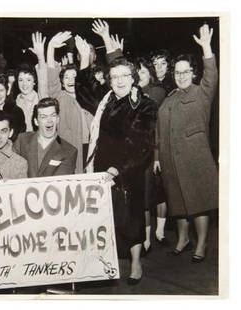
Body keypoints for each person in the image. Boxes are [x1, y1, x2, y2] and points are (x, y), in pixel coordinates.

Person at [86, 19, 157, 285]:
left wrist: (119, 168)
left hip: (129, 170)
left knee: (133, 219)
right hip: (103, 167)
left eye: (124, 76)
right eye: (114, 77)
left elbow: (143, 144)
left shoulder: (145, 105)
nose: (118, 81)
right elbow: (83, 86)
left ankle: (136, 264)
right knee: (109, 220)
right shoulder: (106, 101)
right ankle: (110, 263)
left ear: (133, 78)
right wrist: (87, 57)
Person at [156, 24, 218, 263]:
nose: (180, 76)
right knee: (178, 204)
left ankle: (201, 243)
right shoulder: (169, 99)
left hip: (195, 160)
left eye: (185, 72)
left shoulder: (202, 93)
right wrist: (157, 158)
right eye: (177, 72)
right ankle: (183, 239)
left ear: (193, 73)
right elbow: (159, 131)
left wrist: (206, 48)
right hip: (171, 161)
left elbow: (211, 75)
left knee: (199, 203)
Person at [45, 31, 94, 173]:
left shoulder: (87, 97)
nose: (71, 80)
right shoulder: (60, 98)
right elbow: (52, 78)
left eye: (74, 76)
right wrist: (51, 47)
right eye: (66, 77)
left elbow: (85, 77)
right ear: (62, 82)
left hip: (90, 149)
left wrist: (85, 56)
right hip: (71, 152)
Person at [134, 56, 168, 253]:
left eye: (143, 72)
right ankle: (146, 239)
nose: (139, 76)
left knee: (160, 192)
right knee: (145, 196)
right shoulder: (135, 92)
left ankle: (160, 233)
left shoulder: (157, 92)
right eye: (137, 73)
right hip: (141, 152)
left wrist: (156, 156)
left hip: (157, 148)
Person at [14, 97, 77, 178]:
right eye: (44, 117)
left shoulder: (69, 151)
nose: (49, 120)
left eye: (53, 116)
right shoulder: (22, 140)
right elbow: (11, 170)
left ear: (58, 119)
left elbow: (59, 184)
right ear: (36, 121)